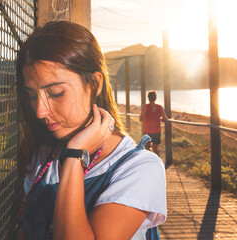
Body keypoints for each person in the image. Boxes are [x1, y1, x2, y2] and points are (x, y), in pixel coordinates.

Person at [15, 21, 166, 240]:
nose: (39, 111)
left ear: (94, 84)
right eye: (32, 95)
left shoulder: (140, 169)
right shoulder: (42, 156)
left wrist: (75, 154)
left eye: (56, 93)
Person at [140, 91, 168, 156]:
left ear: (148, 98)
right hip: (157, 131)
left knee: (147, 148)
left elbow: (141, 118)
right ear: (156, 98)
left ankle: (149, 162)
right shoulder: (160, 107)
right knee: (155, 149)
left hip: (147, 131)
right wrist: (158, 119)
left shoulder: (145, 107)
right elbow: (165, 119)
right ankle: (157, 163)